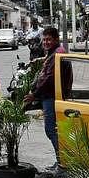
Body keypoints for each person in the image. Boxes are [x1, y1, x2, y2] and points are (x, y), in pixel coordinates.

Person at [24, 27, 67, 170]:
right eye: (44, 40)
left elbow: (48, 79)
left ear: (56, 40)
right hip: (52, 95)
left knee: (51, 130)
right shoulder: (56, 52)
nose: (46, 42)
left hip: (52, 97)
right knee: (54, 130)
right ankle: (60, 161)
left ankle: (62, 164)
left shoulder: (57, 54)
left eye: (49, 39)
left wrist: (34, 95)